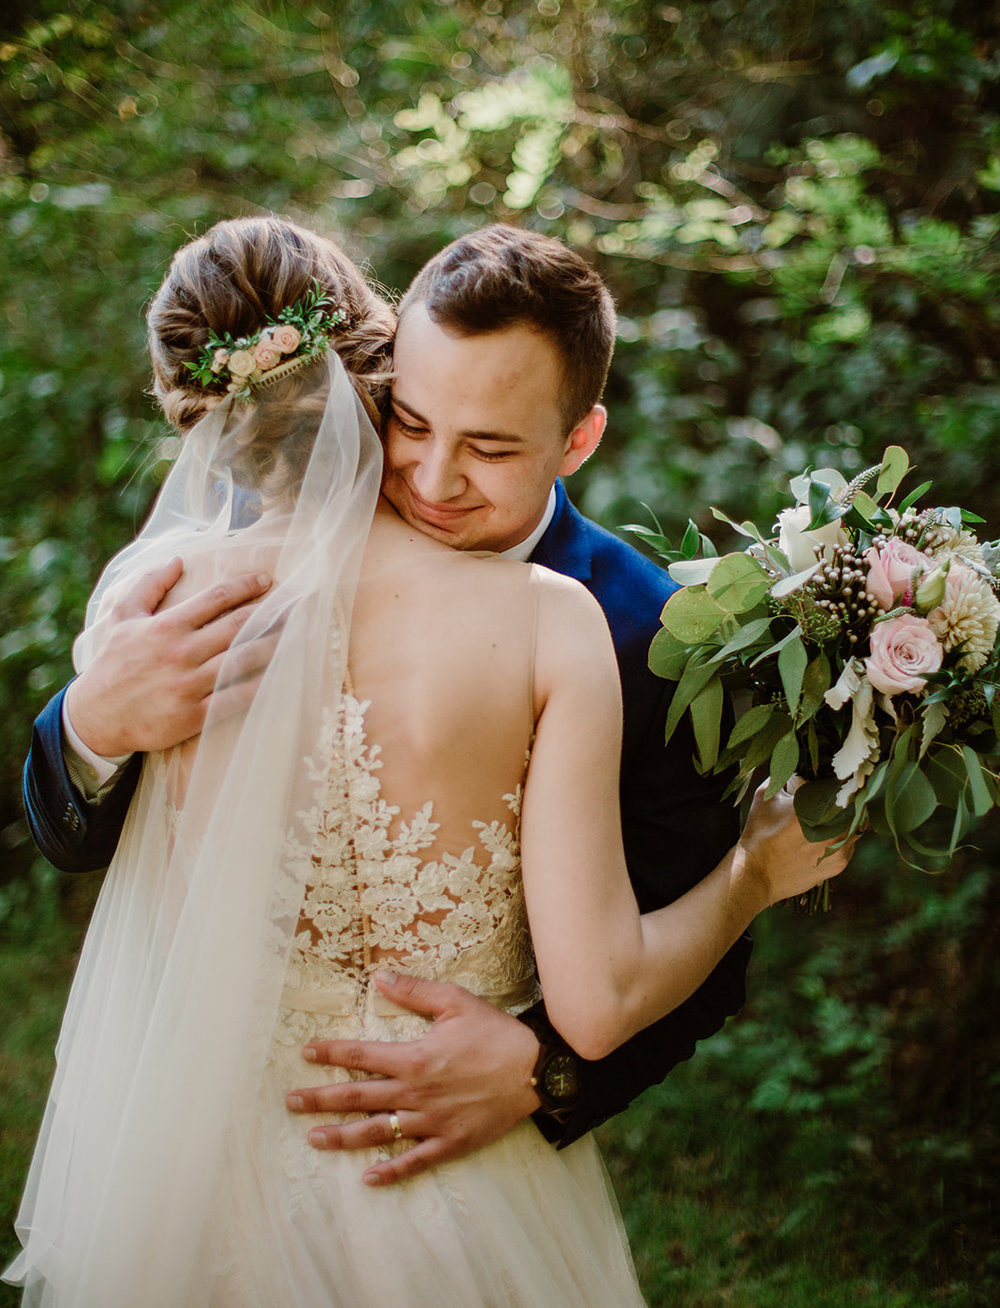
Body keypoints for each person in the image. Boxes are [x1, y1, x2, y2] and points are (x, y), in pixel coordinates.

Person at [7, 216, 849, 1307]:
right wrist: (96, 719)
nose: (437, 478)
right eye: (408, 422)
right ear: (371, 376)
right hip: (224, 1150)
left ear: (576, 441)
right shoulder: (173, 614)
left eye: (491, 448)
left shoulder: (646, 636)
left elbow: (650, 977)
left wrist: (539, 1068)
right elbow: (71, 819)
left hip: (383, 1146)